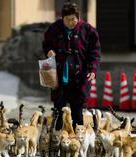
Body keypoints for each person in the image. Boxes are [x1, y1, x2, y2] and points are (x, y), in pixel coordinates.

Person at [42, 2, 101, 130]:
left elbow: (95, 53)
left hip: (79, 78)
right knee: (59, 112)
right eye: (67, 20)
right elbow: (46, 44)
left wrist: (93, 69)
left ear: (78, 18)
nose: (70, 22)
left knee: (78, 112)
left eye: (73, 19)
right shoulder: (53, 29)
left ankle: (77, 142)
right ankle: (58, 141)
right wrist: (49, 51)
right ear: (62, 18)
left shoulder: (88, 30)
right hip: (59, 78)